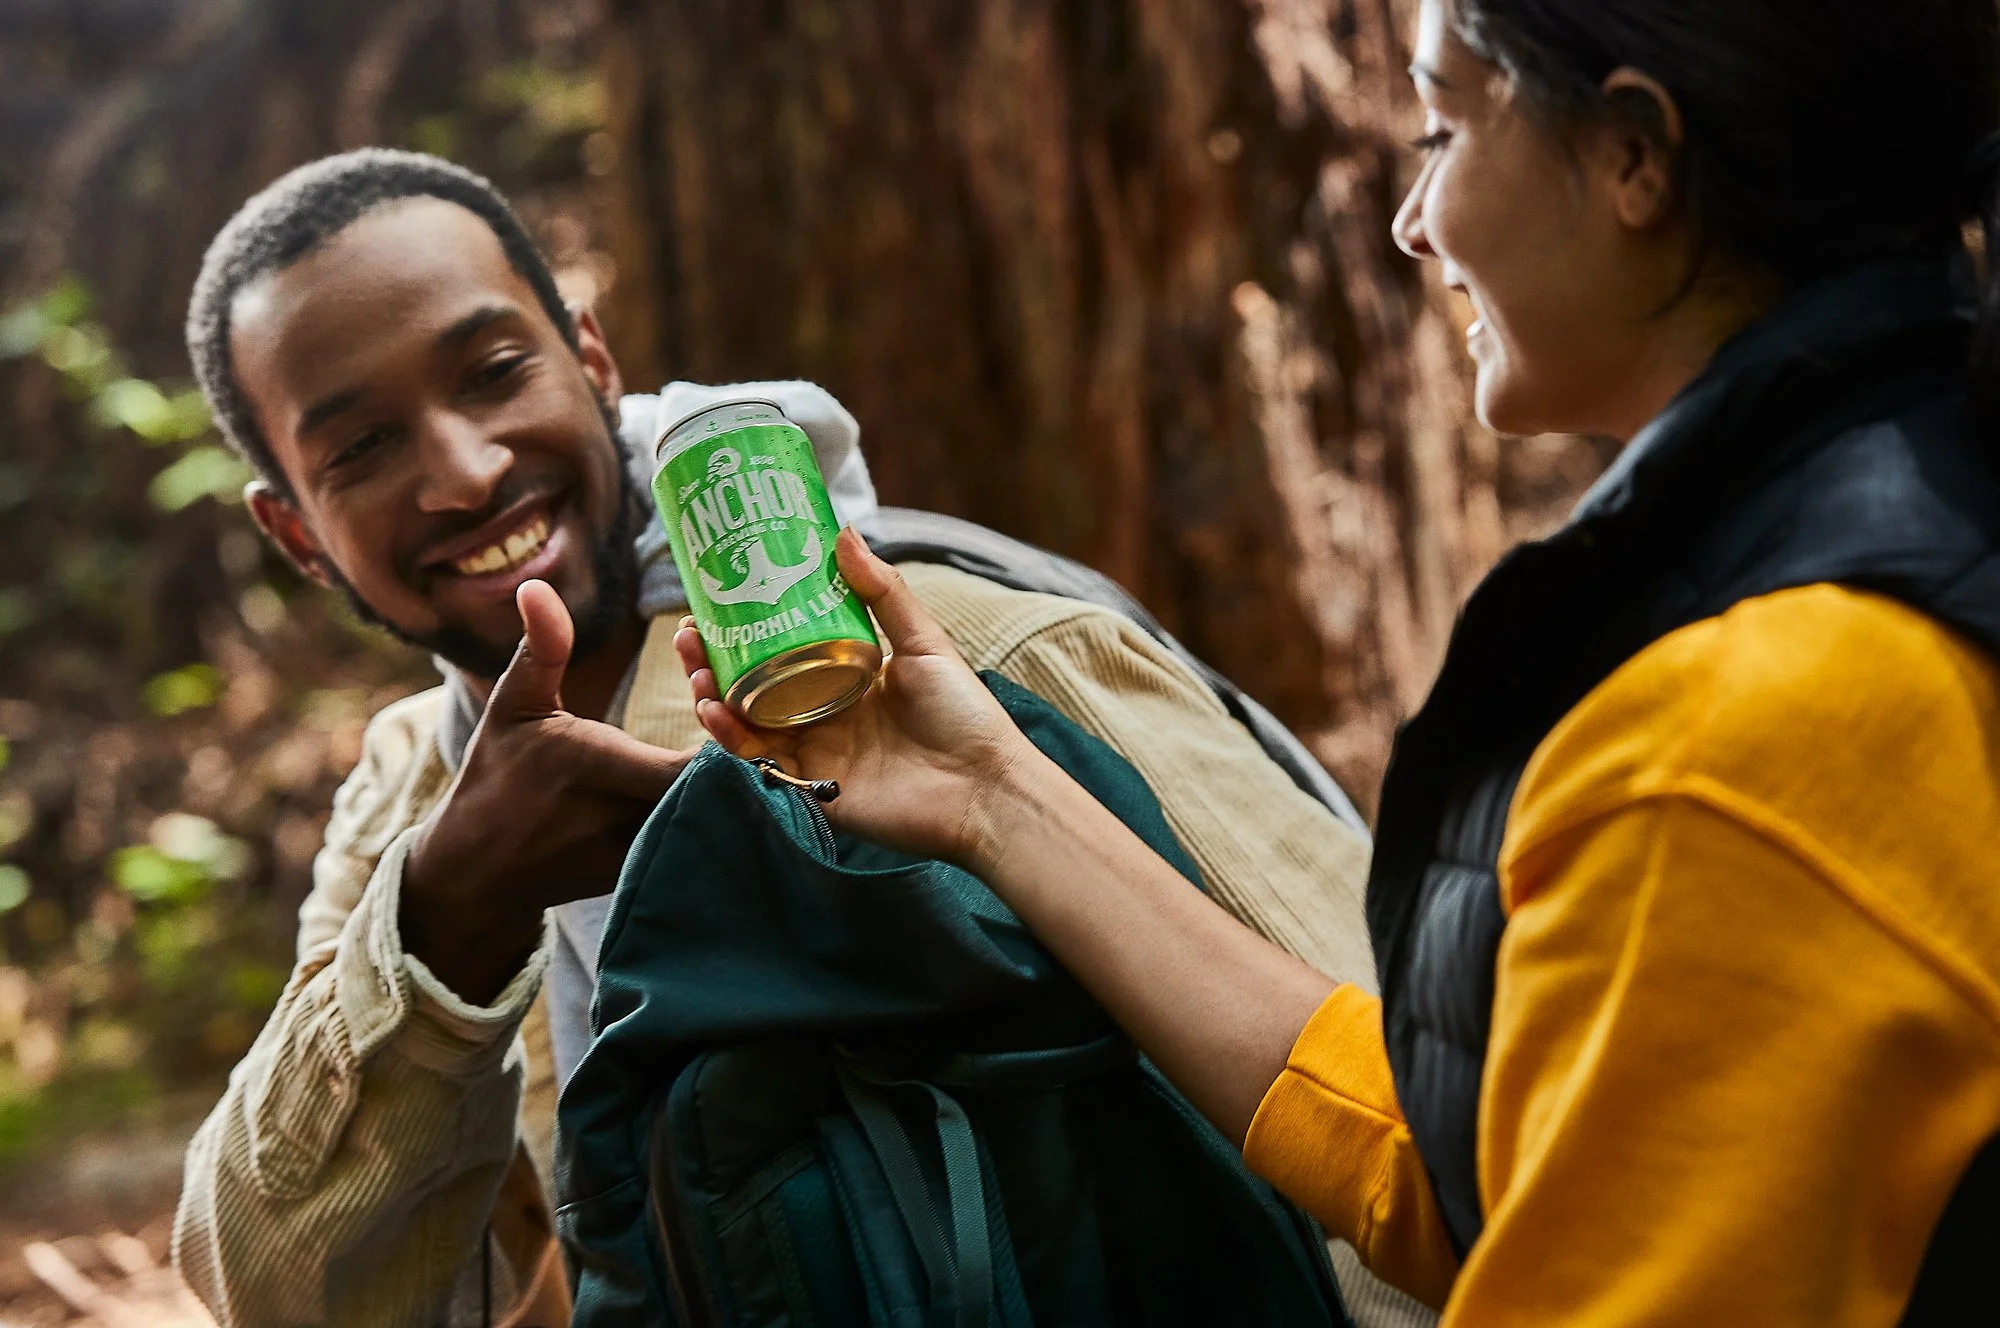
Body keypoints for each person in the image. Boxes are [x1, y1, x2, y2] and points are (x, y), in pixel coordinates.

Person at [675, 0, 2000, 1323]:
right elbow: (1498, 1170)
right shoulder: (1908, 508)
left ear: (1635, 157)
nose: (1409, 221)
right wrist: (990, 794)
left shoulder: (1750, 730)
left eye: (1441, 133)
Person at [166, 149, 1411, 1327]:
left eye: (495, 370)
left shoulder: (952, 650)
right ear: (295, 534)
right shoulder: (412, 800)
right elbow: (284, 1290)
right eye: (364, 446)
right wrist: (444, 924)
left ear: (590, 358)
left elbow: (1421, 1123)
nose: (464, 468)